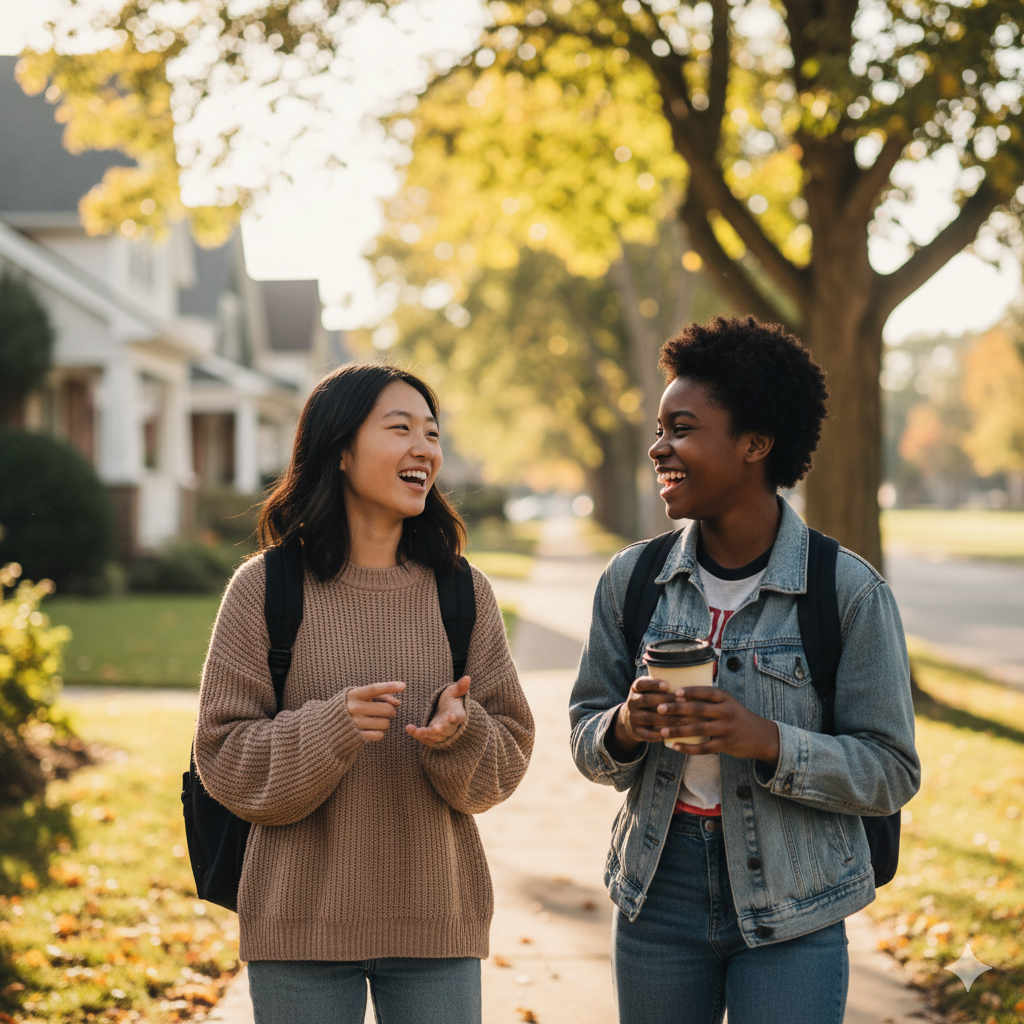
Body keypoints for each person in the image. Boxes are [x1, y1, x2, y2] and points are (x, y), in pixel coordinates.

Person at [569, 316, 920, 1024]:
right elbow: (586, 737)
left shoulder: (845, 592)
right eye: (660, 427)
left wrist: (767, 740)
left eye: (682, 427)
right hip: (657, 896)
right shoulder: (633, 580)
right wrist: (627, 728)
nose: (657, 446)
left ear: (756, 444)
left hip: (797, 903)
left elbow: (891, 773)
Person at [194, 363, 534, 1024]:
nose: (425, 449)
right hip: (298, 928)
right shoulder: (264, 590)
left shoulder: (463, 593)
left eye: (432, 434)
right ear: (341, 449)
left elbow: (508, 756)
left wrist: (460, 737)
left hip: (437, 924)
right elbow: (222, 755)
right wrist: (329, 729)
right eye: (400, 428)